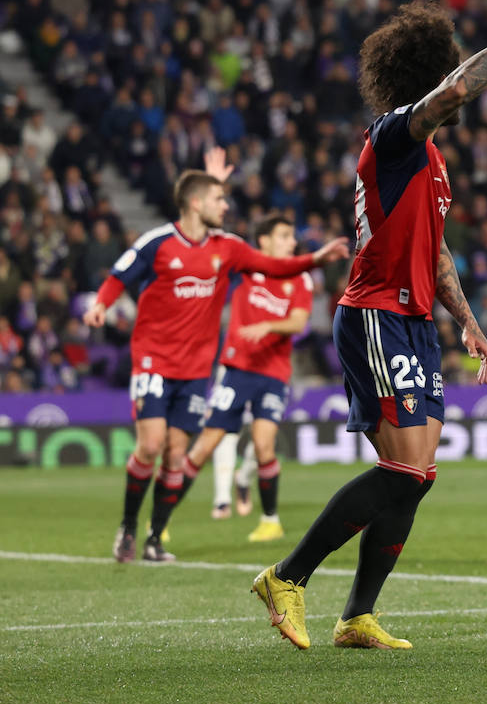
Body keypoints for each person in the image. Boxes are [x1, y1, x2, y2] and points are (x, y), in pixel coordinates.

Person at [251, 0, 487, 650]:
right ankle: (285, 576)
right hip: (373, 313)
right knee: (403, 470)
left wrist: (470, 321)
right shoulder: (393, 137)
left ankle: (356, 616)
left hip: (414, 322)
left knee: (418, 476)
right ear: (430, 77)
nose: (457, 88)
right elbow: (460, 88)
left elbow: (436, 256)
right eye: (449, 71)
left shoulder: (429, 164)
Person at [83, 155, 349, 564]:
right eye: (219, 199)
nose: (226, 207)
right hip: (154, 359)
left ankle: (155, 538)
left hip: (195, 370)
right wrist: (102, 304)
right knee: (151, 445)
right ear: (195, 203)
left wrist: (314, 260)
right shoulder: (158, 242)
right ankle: (128, 527)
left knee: (176, 454)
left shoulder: (227, 248)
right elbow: (120, 274)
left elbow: (274, 266)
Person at [181, 214, 312, 541]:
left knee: (264, 445)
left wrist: (268, 326)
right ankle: (161, 521)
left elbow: (298, 323)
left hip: (273, 374)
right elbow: (215, 252)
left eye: (292, 236)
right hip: (236, 370)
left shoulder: (300, 278)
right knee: (206, 444)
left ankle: (270, 520)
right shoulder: (246, 268)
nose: (291, 242)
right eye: (284, 235)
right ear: (264, 240)